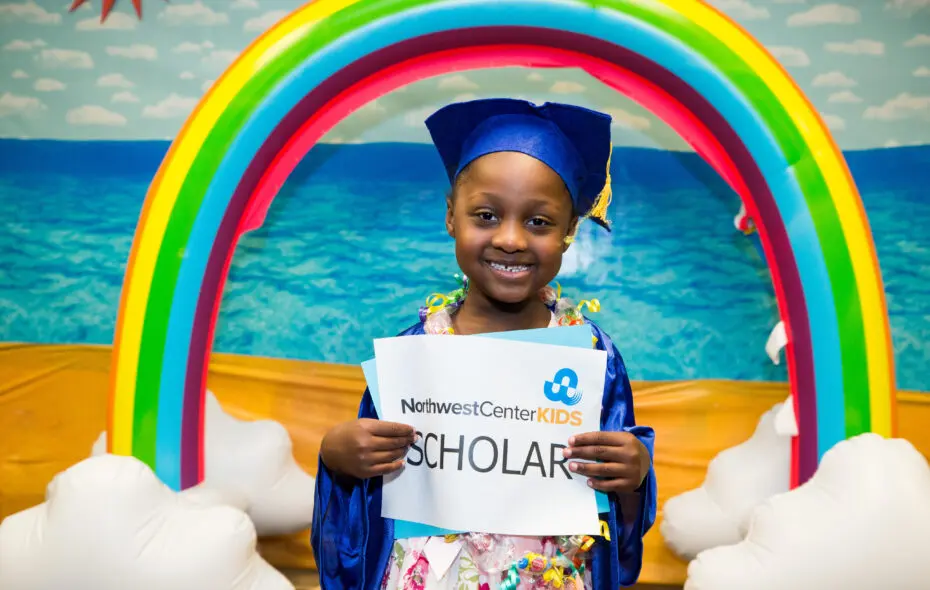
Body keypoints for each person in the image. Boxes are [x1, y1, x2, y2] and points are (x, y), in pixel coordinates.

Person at [311, 98, 656, 590]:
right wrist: (338, 456)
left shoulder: (590, 357)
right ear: (452, 217)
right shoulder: (416, 353)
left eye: (538, 222)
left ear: (570, 232)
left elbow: (616, 511)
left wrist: (634, 475)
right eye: (487, 215)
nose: (511, 239)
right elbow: (372, 496)